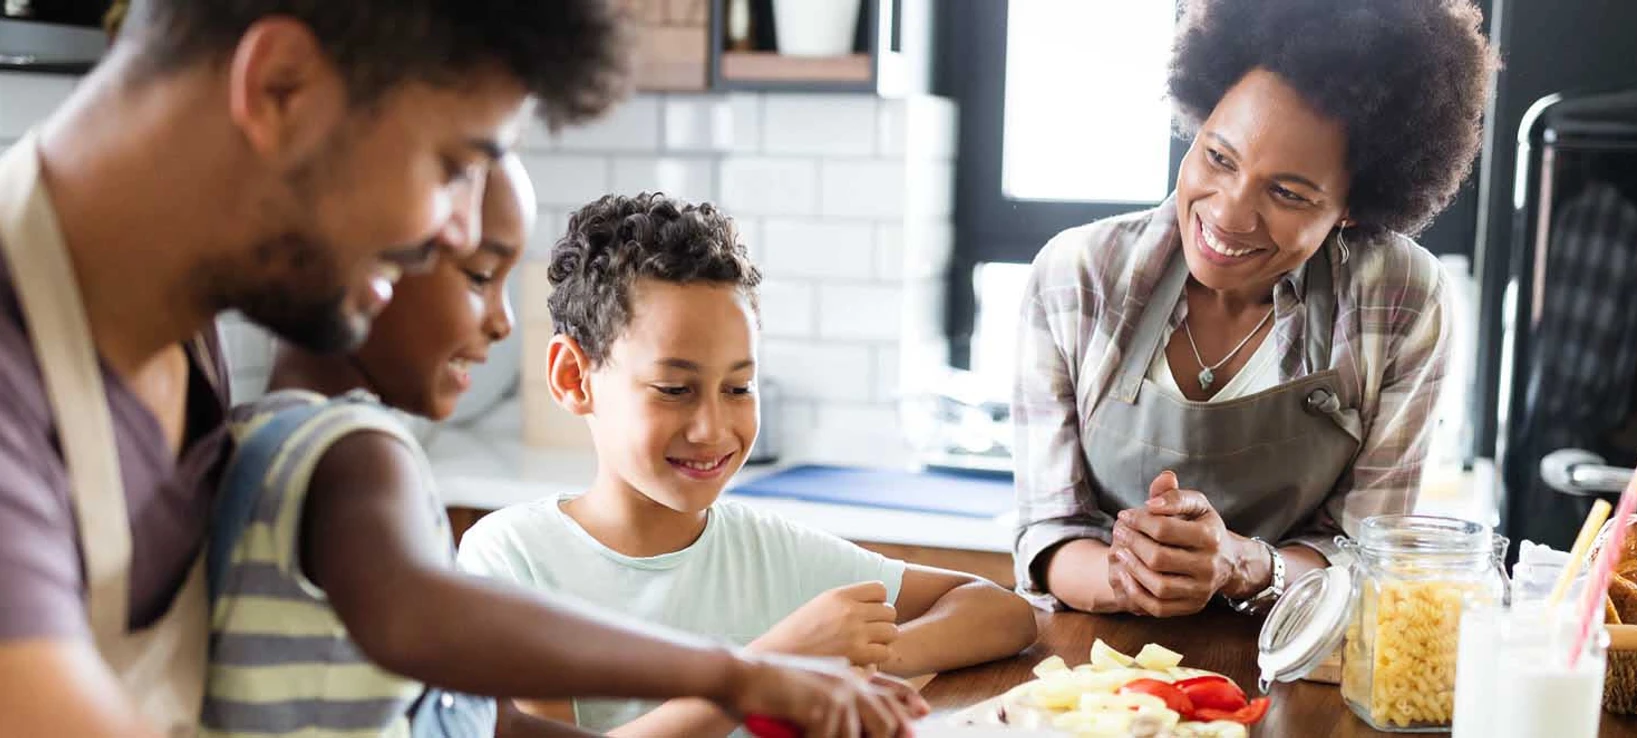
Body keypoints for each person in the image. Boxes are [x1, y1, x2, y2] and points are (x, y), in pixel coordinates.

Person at [0, 2, 918, 735]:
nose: (452, 232)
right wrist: (732, 672)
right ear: (280, 88)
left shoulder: (178, 335)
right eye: (452, 166)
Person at [206, 162, 925, 738]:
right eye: (481, 276)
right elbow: (423, 616)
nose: (500, 323)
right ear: (371, 266)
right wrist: (738, 675)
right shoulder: (351, 450)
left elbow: (493, 722)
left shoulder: (289, 438)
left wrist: (764, 688)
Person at [457, 192, 1039, 737]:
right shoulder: (512, 558)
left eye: (738, 388)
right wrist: (770, 667)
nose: (713, 428)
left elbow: (1002, 613)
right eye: (674, 388)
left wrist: (855, 657)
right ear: (572, 378)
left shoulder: (767, 551)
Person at [1012, 0, 1496, 617]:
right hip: (1099, 678)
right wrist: (1139, 576)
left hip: (1299, 670)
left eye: (1288, 193)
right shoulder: (1077, 274)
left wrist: (1241, 566)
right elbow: (1049, 533)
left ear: (1353, 207)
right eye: (1218, 158)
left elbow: (1367, 557)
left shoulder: (1400, 295)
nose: (1228, 214)